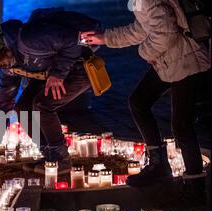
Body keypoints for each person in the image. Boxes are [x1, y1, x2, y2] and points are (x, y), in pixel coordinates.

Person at [82, 0, 210, 200]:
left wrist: (145, 52)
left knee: (182, 125)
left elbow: (166, 33)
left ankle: (195, 186)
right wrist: (105, 38)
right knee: (139, 102)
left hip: (186, 60)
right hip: (169, 60)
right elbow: (141, 29)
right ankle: (158, 165)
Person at [0, 8, 100, 174]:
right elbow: (4, 103)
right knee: (22, 108)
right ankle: (49, 156)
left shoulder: (30, 40)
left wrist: (58, 74)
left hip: (77, 68)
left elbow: (73, 40)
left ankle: (61, 160)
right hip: (50, 73)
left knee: (42, 106)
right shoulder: (8, 64)